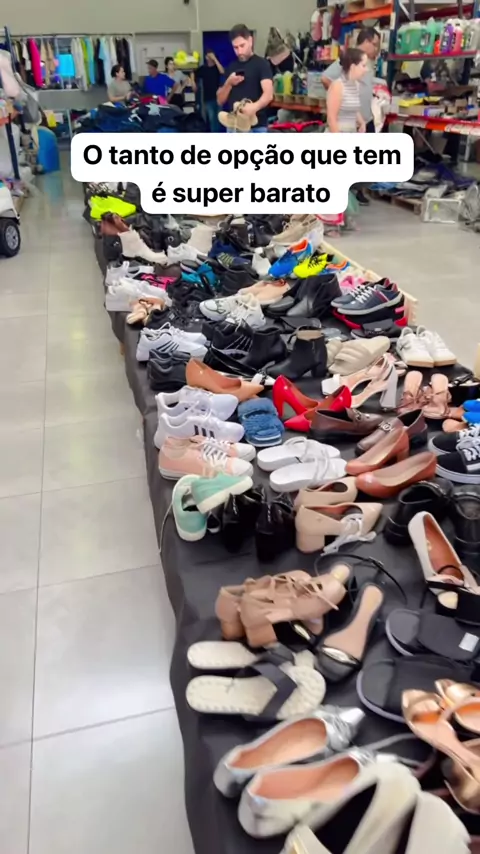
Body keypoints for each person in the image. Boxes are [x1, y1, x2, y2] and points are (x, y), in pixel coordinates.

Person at [322, 27, 380, 203]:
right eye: (375, 44)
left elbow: (354, 104)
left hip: (357, 126)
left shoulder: (354, 81)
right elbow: (332, 117)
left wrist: (362, 121)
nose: (377, 49)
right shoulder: (341, 78)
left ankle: (353, 194)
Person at [217, 24, 273, 132]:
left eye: (242, 46)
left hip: (257, 127)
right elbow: (220, 100)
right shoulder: (231, 67)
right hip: (234, 127)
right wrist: (228, 83)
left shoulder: (262, 64)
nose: (239, 51)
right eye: (235, 47)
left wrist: (254, 107)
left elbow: (268, 94)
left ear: (250, 41)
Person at [326, 48, 368, 133]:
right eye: (363, 65)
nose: (366, 69)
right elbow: (331, 119)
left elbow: (352, 109)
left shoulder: (356, 84)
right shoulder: (337, 86)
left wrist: (362, 122)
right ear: (353, 67)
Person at [197, 51, 224, 132]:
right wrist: (192, 82)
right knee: (212, 119)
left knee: (219, 118)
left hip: (219, 97)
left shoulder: (216, 68)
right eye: (208, 56)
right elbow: (193, 73)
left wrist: (215, 59)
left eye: (211, 56)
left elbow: (222, 71)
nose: (209, 58)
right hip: (208, 98)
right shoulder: (203, 68)